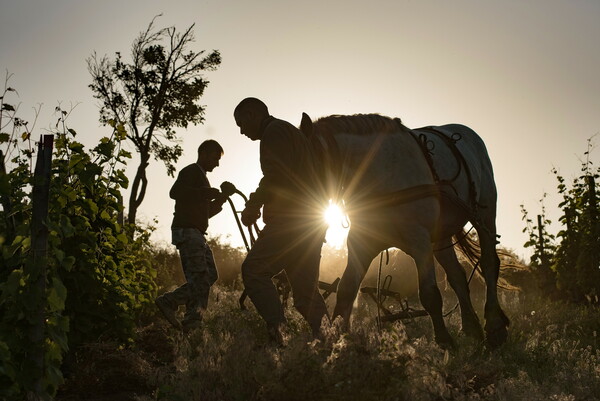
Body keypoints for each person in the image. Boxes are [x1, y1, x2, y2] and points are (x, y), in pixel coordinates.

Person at [233, 97, 329, 344]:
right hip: (311, 220)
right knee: (306, 294)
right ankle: (333, 343)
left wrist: (253, 205)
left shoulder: (273, 133)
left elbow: (276, 175)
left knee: (253, 270)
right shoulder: (289, 132)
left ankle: (279, 338)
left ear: (253, 114)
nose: (241, 131)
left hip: (291, 220)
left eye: (241, 123)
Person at [155, 139, 236, 332]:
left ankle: (192, 320)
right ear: (205, 154)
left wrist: (222, 197)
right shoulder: (191, 171)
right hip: (187, 231)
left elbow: (206, 212)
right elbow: (175, 192)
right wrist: (205, 192)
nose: (217, 164)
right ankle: (172, 304)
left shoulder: (202, 178)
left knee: (210, 275)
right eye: (215, 159)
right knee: (200, 280)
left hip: (197, 233)